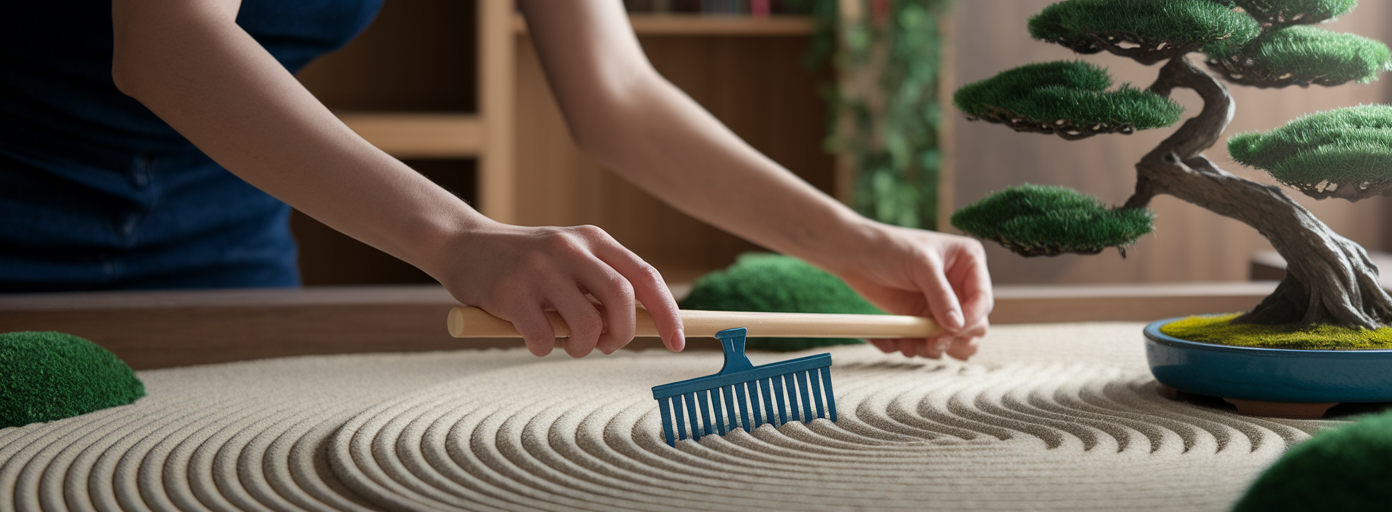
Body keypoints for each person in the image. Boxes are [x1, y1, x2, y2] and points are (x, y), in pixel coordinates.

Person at [0, 0, 991, 360]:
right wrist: (457, 237)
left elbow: (614, 93)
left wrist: (855, 239)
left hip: (222, 216)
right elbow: (170, 43)